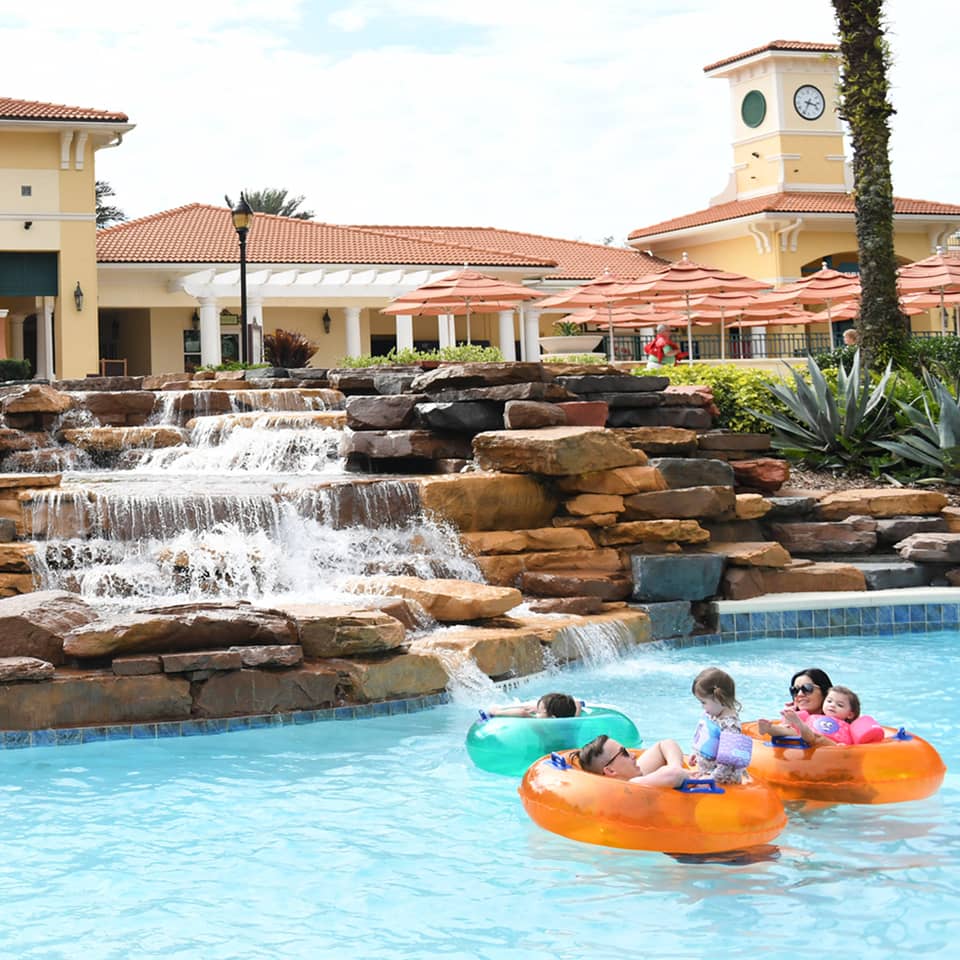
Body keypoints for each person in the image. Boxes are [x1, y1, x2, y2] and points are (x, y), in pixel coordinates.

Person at [689, 667, 746, 784]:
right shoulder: (713, 715)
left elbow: (728, 764)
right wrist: (697, 754)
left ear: (719, 698)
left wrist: (711, 780)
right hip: (708, 772)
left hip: (722, 780)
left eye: (703, 702)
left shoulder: (730, 726)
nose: (702, 707)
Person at [579, 734, 686, 787]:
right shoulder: (633, 784)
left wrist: (675, 764)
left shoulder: (632, 775)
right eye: (624, 753)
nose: (633, 755)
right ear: (610, 771)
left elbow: (665, 744)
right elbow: (674, 775)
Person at [757, 667, 832, 738]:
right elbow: (786, 729)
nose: (799, 694)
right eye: (795, 690)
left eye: (807, 688)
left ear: (825, 691)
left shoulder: (839, 714)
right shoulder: (791, 716)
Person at [778, 685, 862, 747]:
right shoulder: (812, 717)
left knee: (821, 740)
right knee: (792, 731)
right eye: (829, 701)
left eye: (840, 705)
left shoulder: (851, 728)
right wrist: (787, 718)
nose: (832, 705)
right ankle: (773, 729)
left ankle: (801, 726)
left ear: (850, 714)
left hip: (832, 748)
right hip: (806, 742)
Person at [486, 692, 580, 719]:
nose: (537, 714)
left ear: (552, 717)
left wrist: (497, 711)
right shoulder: (574, 719)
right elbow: (577, 703)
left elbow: (522, 713)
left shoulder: (543, 726)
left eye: (539, 712)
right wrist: (540, 709)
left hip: (546, 754)